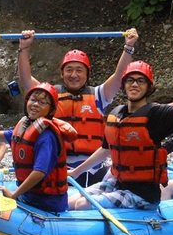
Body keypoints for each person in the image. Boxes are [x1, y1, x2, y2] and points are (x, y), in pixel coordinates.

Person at [68, 48, 173, 210]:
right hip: (117, 183)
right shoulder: (117, 113)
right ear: (124, 85)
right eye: (130, 80)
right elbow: (104, 150)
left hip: (142, 194)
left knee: (82, 205)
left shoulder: (156, 114)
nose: (134, 84)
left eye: (140, 81)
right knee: (71, 202)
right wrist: (76, 172)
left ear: (149, 87)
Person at [17, 28, 139, 187]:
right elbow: (26, 79)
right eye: (69, 70)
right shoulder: (50, 96)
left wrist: (128, 47)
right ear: (62, 73)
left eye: (79, 70)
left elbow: (119, 75)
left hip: (93, 171)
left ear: (87, 74)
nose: (74, 74)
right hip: (59, 167)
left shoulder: (99, 95)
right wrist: (24, 48)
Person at [0, 82, 78, 213]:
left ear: (51, 110)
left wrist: (14, 195)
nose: (36, 104)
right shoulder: (24, 127)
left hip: (47, 203)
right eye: (33, 99)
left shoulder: (47, 137)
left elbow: (39, 172)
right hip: (30, 197)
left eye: (42, 102)